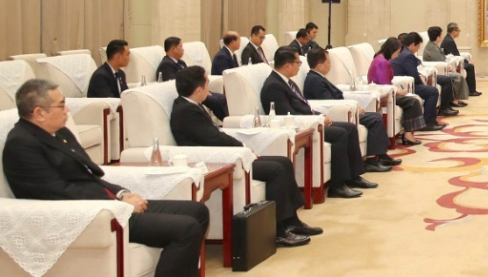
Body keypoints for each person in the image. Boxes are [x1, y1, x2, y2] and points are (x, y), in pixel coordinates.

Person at [4, 79, 218, 277]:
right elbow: (57, 192)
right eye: (61, 105)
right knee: (184, 229)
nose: (67, 111)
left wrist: (122, 192)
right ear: (39, 112)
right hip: (92, 218)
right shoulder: (21, 145)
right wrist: (118, 204)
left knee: (197, 211)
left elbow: (92, 175)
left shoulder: (58, 132)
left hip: (108, 204)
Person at [170, 66, 318, 248]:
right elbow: (213, 138)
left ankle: (291, 221)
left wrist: (243, 149)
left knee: (284, 162)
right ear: (199, 89)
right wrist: (243, 149)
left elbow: (215, 134)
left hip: (226, 154)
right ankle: (278, 231)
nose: (210, 86)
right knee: (276, 170)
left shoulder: (191, 105)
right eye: (207, 82)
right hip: (216, 160)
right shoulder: (186, 111)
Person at [262, 49, 372, 199]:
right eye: (298, 63)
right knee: (340, 134)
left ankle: (353, 176)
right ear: (287, 65)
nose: (300, 66)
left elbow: (304, 106)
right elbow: (287, 114)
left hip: (311, 121)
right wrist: (317, 121)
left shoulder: (287, 81)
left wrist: (320, 116)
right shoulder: (274, 85)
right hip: (302, 126)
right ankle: (338, 186)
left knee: (350, 128)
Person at [304, 49, 400, 171]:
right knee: (374, 119)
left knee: (376, 116)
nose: (330, 65)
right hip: (338, 114)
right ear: (319, 65)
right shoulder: (314, 80)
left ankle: (380, 155)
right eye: (328, 62)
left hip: (344, 110)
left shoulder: (318, 77)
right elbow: (329, 103)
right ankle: (371, 160)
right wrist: (352, 109)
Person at [368, 37, 427, 144]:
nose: (398, 55)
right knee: (412, 102)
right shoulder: (383, 62)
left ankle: (408, 132)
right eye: (397, 52)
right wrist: (398, 92)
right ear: (391, 50)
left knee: (411, 99)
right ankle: (408, 134)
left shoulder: (379, 58)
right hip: (383, 96)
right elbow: (384, 86)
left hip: (385, 92)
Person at [157, 37, 229, 120]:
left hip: (194, 89)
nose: (183, 50)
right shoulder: (166, 64)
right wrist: (200, 91)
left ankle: (228, 119)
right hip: (189, 93)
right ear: (173, 49)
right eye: (180, 47)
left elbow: (191, 78)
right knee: (214, 101)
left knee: (221, 97)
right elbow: (175, 83)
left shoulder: (181, 62)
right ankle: (226, 120)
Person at [393, 32, 445, 132]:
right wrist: (422, 83)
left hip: (403, 82)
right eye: (417, 47)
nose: (417, 49)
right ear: (412, 44)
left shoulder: (402, 51)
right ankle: (428, 122)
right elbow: (413, 74)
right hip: (407, 85)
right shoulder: (408, 55)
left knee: (430, 89)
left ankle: (431, 121)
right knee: (432, 91)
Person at [424, 26, 469, 105]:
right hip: (438, 71)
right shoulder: (432, 47)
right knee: (457, 77)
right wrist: (447, 66)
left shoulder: (434, 45)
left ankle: (457, 98)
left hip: (441, 68)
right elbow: (439, 60)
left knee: (458, 76)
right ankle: (454, 100)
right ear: (438, 37)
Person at [442, 22, 481, 96]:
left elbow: (456, 54)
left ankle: (471, 90)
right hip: (452, 62)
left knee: (469, 65)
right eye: (458, 30)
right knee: (470, 67)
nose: (459, 32)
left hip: (455, 60)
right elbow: (455, 55)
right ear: (454, 31)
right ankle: (471, 90)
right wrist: (467, 62)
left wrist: (466, 61)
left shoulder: (449, 39)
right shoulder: (449, 41)